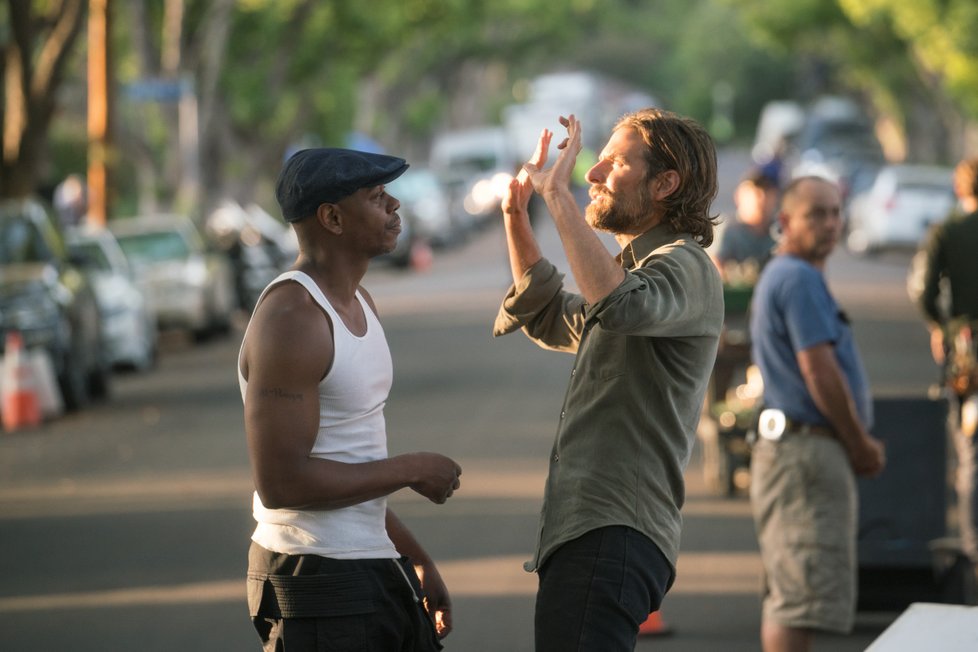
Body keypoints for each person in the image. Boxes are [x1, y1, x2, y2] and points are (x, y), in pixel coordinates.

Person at [493, 108, 724, 651]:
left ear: (666, 184)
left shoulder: (684, 265)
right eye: (593, 165)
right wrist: (517, 216)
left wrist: (558, 196)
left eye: (614, 164)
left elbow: (616, 306)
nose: (592, 176)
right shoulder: (637, 273)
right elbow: (551, 315)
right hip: (593, 533)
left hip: (613, 533)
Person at [238, 147, 462, 651]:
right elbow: (282, 483)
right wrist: (410, 468)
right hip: (315, 577)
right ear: (332, 218)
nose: (395, 206)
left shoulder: (359, 301)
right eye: (377, 196)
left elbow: (349, 463)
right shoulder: (292, 318)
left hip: (367, 563)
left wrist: (413, 558)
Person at [749, 175, 886, 652]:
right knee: (798, 600)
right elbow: (819, 371)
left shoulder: (790, 275)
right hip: (806, 450)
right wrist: (859, 442)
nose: (830, 224)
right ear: (786, 221)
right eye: (816, 214)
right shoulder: (799, 277)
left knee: (794, 592)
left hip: (795, 451)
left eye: (834, 212)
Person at [913, 157, 978, 563]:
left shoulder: (947, 232)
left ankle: (974, 553)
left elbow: (923, 291)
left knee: (971, 451)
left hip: (968, 354)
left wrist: (940, 326)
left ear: (960, 188)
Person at [711, 166, 780, 283]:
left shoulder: (780, 230)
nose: (761, 199)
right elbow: (716, 266)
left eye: (767, 192)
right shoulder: (730, 230)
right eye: (756, 193)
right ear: (739, 196)